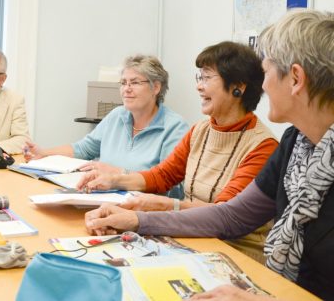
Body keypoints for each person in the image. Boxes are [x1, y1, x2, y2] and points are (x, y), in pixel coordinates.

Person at [84, 9, 334, 300]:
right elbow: (230, 215)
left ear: (295, 78)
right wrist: (138, 220)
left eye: (266, 73)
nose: (263, 86)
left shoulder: (267, 144)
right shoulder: (295, 144)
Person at [79, 41, 278, 261]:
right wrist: (114, 180)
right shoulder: (200, 130)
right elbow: (162, 176)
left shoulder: (262, 146)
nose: (199, 86)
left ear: (238, 87)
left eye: (207, 77)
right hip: (193, 241)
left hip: (236, 252)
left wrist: (162, 205)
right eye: (199, 77)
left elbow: (223, 216)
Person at [24, 55, 188, 196]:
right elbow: (84, 148)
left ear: (156, 87)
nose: (126, 89)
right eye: (123, 83)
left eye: (135, 82)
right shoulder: (117, 115)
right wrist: (44, 153)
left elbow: (172, 188)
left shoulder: (174, 127)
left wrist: (118, 174)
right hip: (103, 199)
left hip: (142, 211)